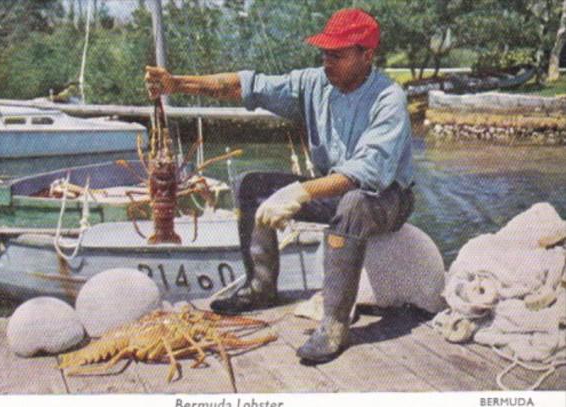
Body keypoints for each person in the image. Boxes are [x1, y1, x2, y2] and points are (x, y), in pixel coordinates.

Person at [145, 8, 415, 364]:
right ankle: (259, 287)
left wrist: (300, 192)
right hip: (333, 187)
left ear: (367, 55)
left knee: (353, 203)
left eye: (337, 54)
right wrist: (177, 83)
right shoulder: (314, 83)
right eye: (324, 53)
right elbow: (248, 85)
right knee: (251, 185)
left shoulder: (388, 99)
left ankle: (334, 324)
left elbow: (365, 173)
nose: (327, 61)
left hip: (386, 198)